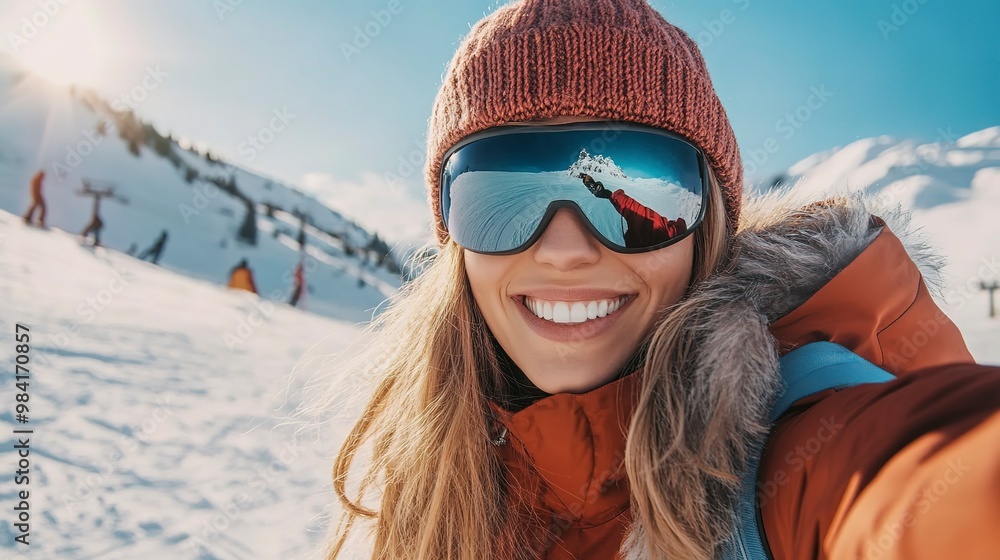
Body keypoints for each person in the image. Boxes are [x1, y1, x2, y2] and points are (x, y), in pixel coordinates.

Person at [322, 2, 1000, 559]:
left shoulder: (805, 450)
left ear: (707, 223)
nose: (564, 250)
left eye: (642, 182)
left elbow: (928, 488)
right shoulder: (439, 482)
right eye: (502, 189)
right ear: (453, 237)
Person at [578, 172, 687, 248]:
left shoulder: (667, 235)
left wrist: (609, 195)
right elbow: (642, 215)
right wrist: (610, 195)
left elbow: (642, 216)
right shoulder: (669, 235)